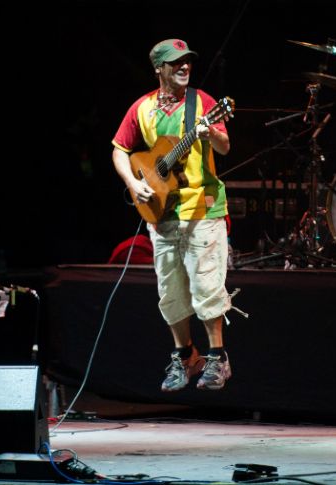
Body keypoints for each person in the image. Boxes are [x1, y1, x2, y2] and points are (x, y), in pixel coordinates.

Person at [112, 39, 233, 391]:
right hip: (161, 213)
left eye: (187, 61)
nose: (184, 67)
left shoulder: (203, 103)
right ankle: (185, 356)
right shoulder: (142, 108)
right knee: (171, 292)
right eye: (175, 62)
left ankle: (217, 358)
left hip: (203, 207)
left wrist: (210, 132)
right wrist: (134, 185)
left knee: (206, 285)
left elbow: (225, 146)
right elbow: (120, 150)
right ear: (159, 69)